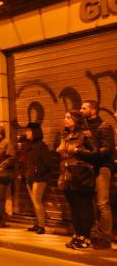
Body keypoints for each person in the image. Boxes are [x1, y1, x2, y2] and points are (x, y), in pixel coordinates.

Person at [57, 111, 97, 250]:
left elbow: (94, 153)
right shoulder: (65, 135)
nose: (65, 119)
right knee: (73, 208)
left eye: (69, 117)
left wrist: (78, 151)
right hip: (67, 175)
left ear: (77, 120)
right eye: (65, 117)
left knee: (83, 207)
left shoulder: (85, 134)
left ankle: (87, 237)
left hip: (81, 176)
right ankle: (78, 234)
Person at [80, 100, 114, 250]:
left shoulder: (105, 126)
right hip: (89, 169)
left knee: (102, 203)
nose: (81, 110)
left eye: (84, 108)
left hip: (102, 168)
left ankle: (106, 238)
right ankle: (95, 235)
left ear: (93, 110)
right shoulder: (85, 127)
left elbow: (107, 149)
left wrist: (90, 153)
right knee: (92, 203)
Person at [24, 122, 52, 235]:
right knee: (34, 202)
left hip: (39, 179)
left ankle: (42, 226)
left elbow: (47, 163)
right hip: (31, 178)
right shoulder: (31, 145)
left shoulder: (42, 146)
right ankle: (37, 223)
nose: (27, 133)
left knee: (37, 201)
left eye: (29, 131)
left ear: (34, 133)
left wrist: (37, 173)